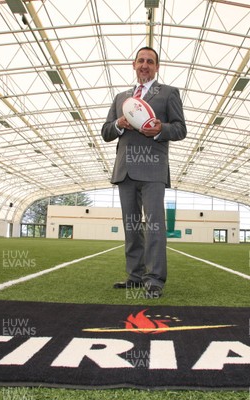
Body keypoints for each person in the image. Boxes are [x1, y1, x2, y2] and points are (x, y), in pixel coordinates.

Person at [101, 47, 187, 298]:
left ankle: (155, 279)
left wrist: (161, 129)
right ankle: (135, 276)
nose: (145, 65)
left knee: (155, 226)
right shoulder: (121, 98)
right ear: (134, 64)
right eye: (141, 60)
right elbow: (106, 132)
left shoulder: (169, 93)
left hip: (153, 170)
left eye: (150, 61)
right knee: (131, 227)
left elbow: (181, 129)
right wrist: (119, 124)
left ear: (157, 67)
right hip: (125, 169)